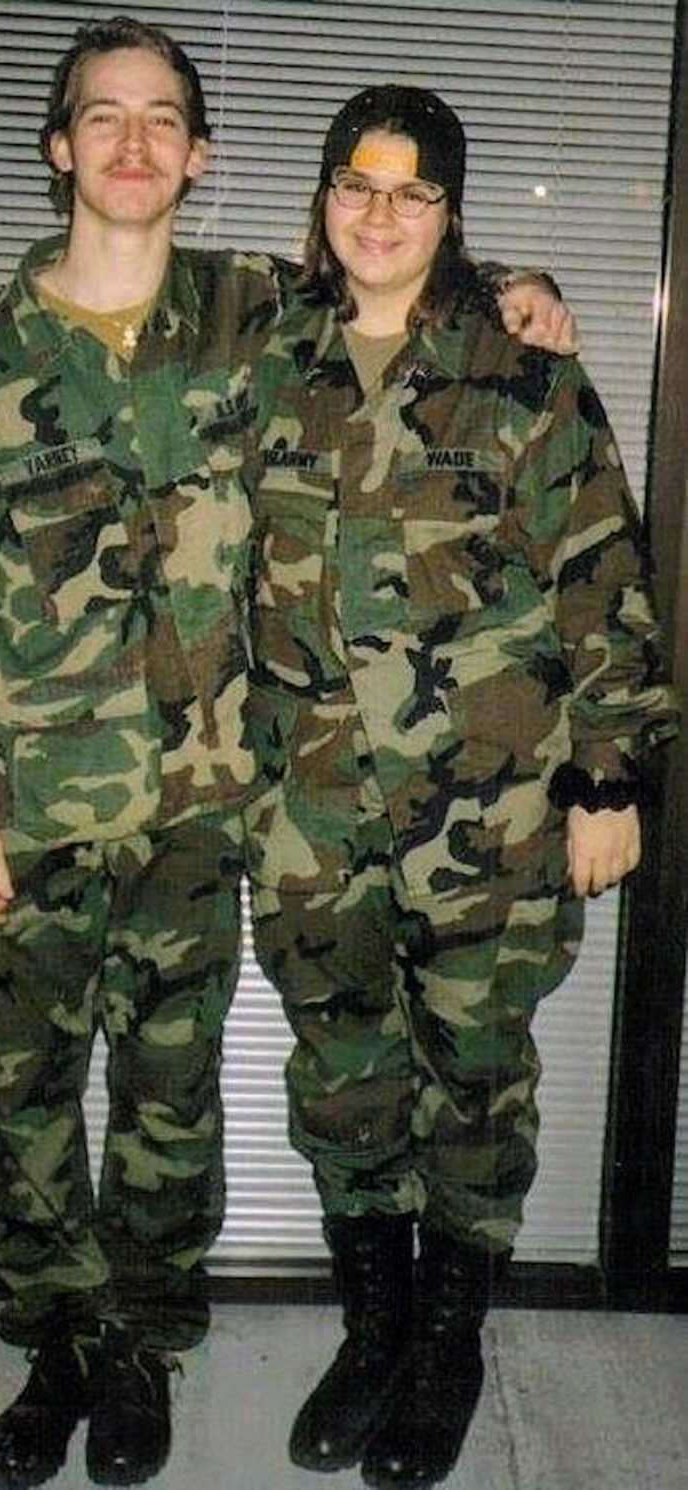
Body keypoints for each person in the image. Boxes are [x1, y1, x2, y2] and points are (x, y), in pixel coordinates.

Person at [0, 17, 578, 1489]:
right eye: (100, 117)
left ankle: (145, 1348)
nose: (131, 142)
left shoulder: (257, 317)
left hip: (203, 809)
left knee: (170, 1108)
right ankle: (58, 1338)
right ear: (59, 148)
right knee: (28, 1100)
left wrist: (518, 289)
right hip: (30, 813)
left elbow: (400, 290)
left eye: (160, 117)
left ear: (201, 153)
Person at [244, 83, 680, 1488]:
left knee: (477, 1085)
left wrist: (614, 779)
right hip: (310, 814)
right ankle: (374, 1332)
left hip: (490, 814)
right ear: (323, 198)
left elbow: (606, 582)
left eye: (413, 191)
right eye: (355, 184)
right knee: (346, 1080)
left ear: (450, 210)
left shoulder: (526, 375)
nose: (380, 213)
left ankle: (450, 1346)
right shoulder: (256, 362)